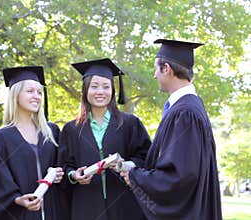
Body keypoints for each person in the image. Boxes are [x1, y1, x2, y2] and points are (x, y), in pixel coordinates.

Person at [120, 39, 222, 220]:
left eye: (156, 69)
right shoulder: (190, 107)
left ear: (166, 68)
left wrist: (134, 176)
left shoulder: (185, 113)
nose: (154, 75)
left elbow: (179, 177)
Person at [60, 58, 151, 220]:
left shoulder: (130, 123)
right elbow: (65, 165)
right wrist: (74, 175)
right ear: (85, 90)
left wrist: (125, 165)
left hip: (125, 204)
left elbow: (146, 158)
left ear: (113, 91)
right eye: (94, 86)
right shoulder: (71, 129)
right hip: (86, 205)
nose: (100, 92)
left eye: (106, 87)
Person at [0, 66, 65, 220]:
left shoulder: (51, 132)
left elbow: (64, 167)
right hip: (19, 215)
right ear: (16, 95)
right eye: (30, 91)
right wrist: (16, 198)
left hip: (53, 212)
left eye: (39, 92)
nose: (36, 96)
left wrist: (60, 174)